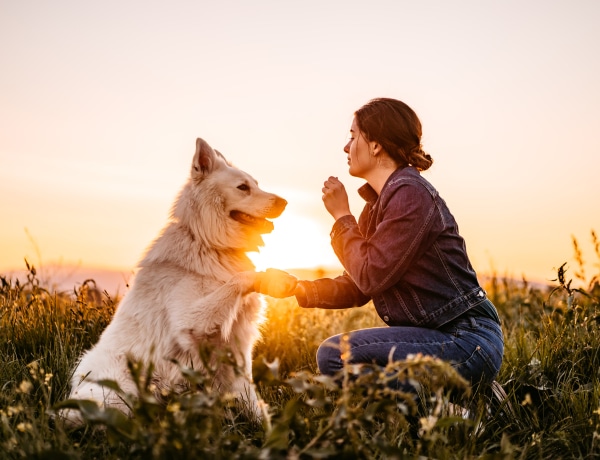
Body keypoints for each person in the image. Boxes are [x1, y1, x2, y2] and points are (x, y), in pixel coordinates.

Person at [256, 97, 504, 392]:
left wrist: (341, 216)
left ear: (375, 145)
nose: (346, 147)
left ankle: (457, 410)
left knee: (335, 356)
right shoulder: (376, 207)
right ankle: (465, 400)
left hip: (467, 341)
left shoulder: (411, 194)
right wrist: (300, 288)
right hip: (439, 337)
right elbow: (360, 284)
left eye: (352, 136)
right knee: (337, 356)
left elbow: (371, 274)